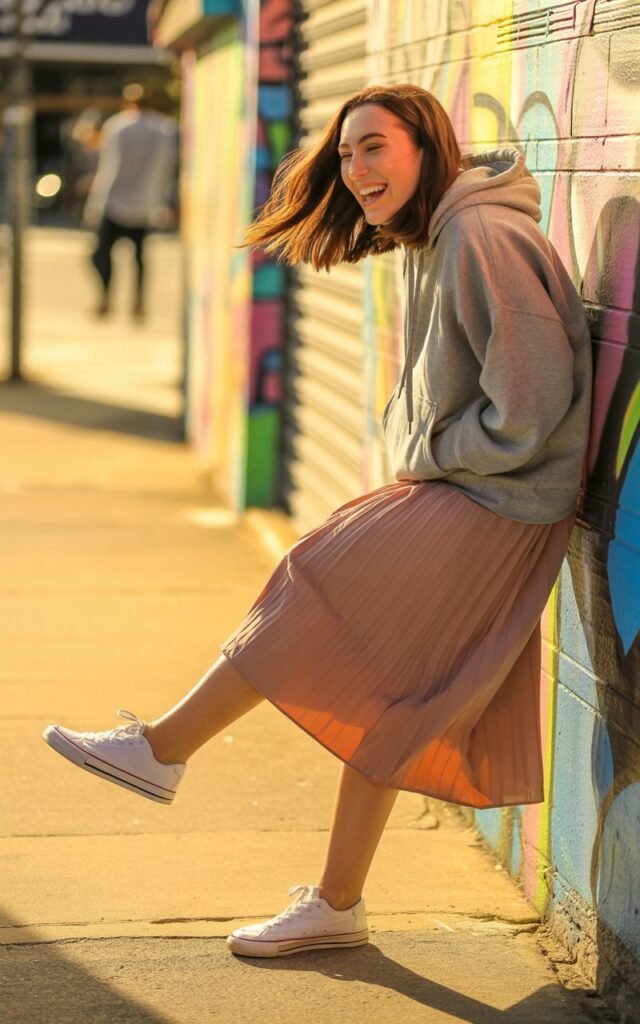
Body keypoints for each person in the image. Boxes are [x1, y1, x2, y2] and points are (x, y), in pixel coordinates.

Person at [43, 83, 592, 959]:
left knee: (318, 574)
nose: (359, 169)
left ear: (428, 144)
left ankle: (163, 748)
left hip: (498, 500)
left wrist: (443, 447)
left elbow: (531, 403)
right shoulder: (445, 228)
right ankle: (336, 903)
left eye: (375, 146)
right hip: (485, 493)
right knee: (390, 695)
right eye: (347, 154)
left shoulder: (479, 234)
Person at [84, 83, 178, 319]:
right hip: (146, 203)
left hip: (114, 201)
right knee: (139, 259)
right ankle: (138, 303)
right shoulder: (164, 128)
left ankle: (106, 297)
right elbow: (169, 167)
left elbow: (109, 167)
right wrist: (164, 200)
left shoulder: (117, 126)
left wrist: (95, 202)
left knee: (101, 254)